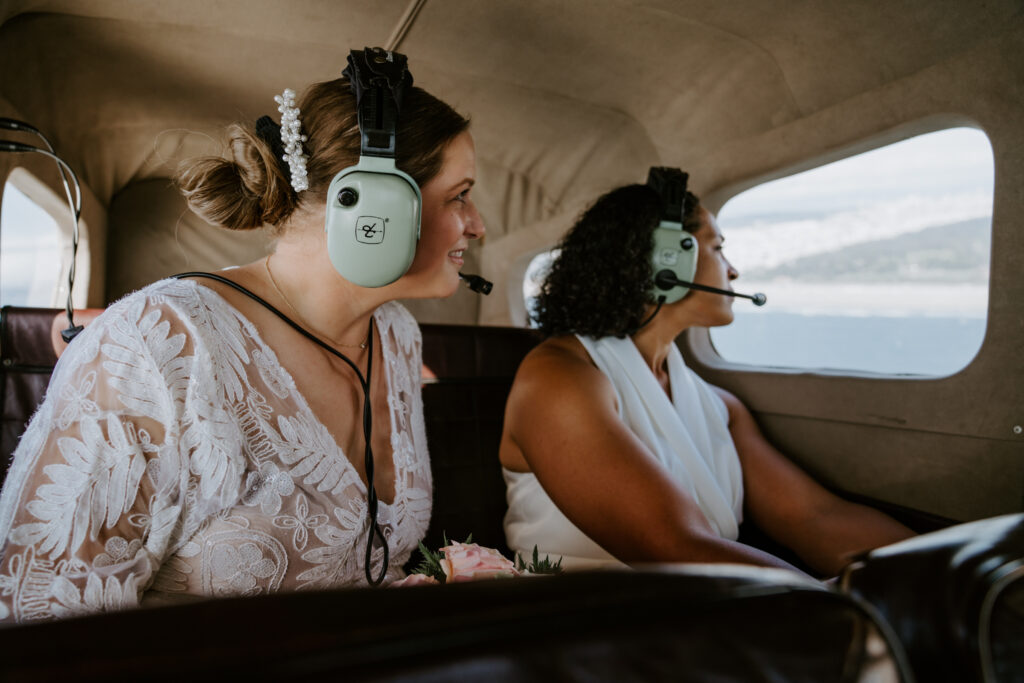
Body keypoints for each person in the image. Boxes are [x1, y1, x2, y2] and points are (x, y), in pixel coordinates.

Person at [0, 62, 484, 621]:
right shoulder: (157, 346)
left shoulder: (397, 335)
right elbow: (38, 616)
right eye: (460, 196)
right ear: (374, 208)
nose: (477, 225)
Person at [499, 180, 911, 576]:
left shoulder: (720, 408)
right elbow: (673, 545)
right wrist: (837, 607)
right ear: (667, 261)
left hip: (702, 608)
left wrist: (942, 565)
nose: (734, 271)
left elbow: (816, 518)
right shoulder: (556, 379)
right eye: (718, 248)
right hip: (578, 625)